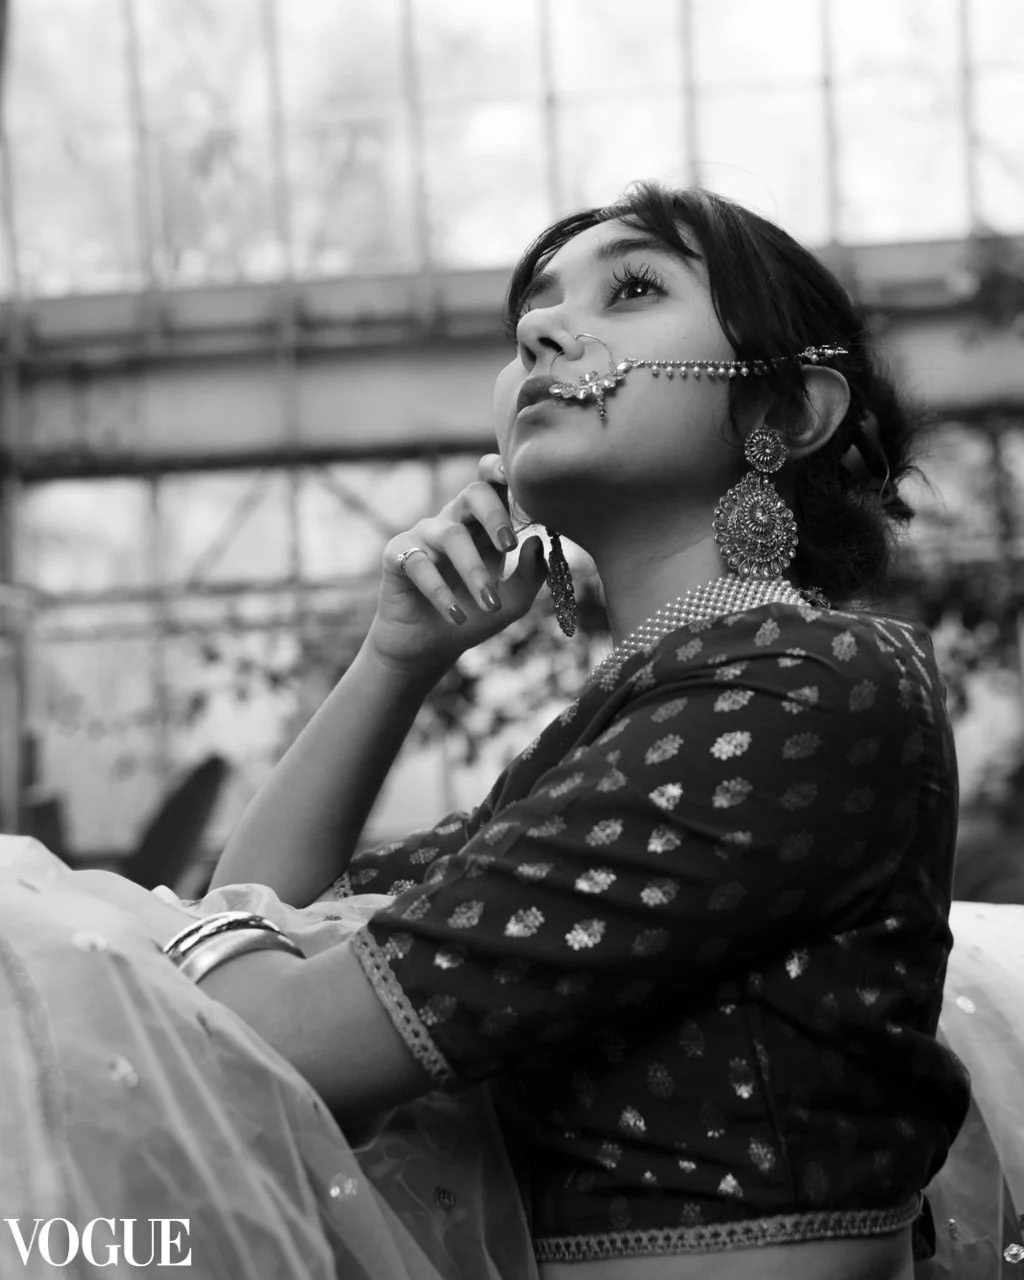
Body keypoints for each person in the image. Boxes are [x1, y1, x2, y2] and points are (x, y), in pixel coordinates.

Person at [0, 182, 1019, 1280]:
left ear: (786, 412)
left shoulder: (802, 690)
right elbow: (256, 921)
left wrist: (233, 956)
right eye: (531, 312)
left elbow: (274, 1035)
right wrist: (395, 660)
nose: (540, 332)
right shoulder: (615, 731)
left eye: (633, 289)